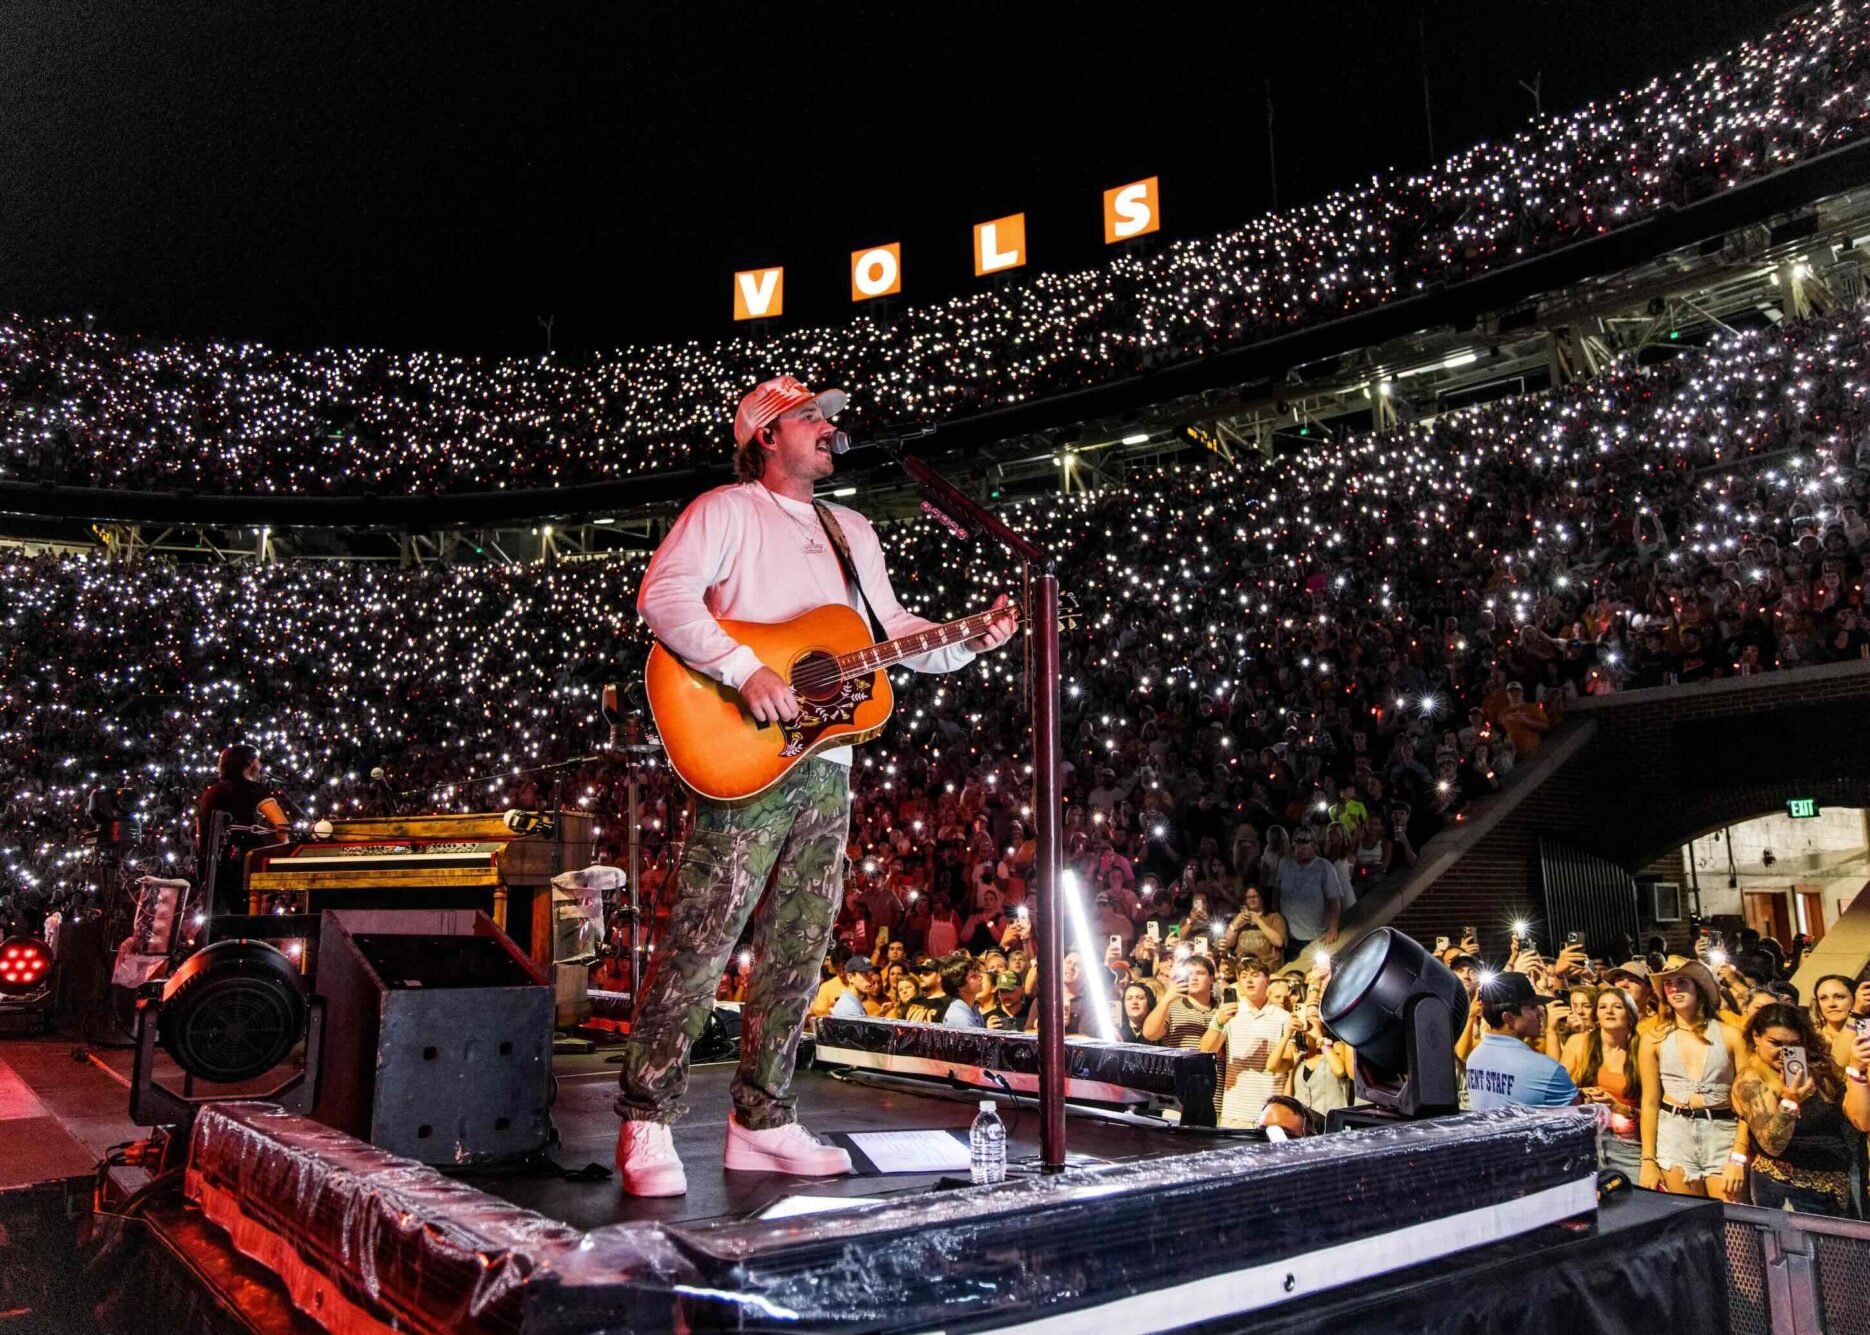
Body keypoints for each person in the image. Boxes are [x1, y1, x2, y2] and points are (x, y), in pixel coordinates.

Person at [615, 375, 1019, 1196]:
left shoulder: (853, 528)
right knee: (705, 935)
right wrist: (744, 666)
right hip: (746, 754)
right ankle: (647, 1116)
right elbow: (663, 596)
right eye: (812, 417)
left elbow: (891, 632)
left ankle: (761, 1120)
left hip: (826, 764)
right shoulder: (725, 510)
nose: (831, 428)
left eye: (832, 419)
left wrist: (969, 636)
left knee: (799, 948)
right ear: (767, 434)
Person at [1732, 1003, 1870, 1215]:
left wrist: (1857, 1071)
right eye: (1775, 1043)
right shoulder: (1751, 1079)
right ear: (1756, 1037)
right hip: (1785, 1189)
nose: (1784, 1052)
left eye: (1793, 1044)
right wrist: (1789, 1103)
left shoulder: (1818, 1066)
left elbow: (1860, 1120)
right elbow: (1771, 1145)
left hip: (1838, 1187)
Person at [1638, 959, 1748, 1200]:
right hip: (1675, 1133)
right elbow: (1649, 1102)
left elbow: (1748, 1105)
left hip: (1721, 1132)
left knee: (1733, 1224)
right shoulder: (1652, 1039)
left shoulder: (1731, 1036)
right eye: (1668, 984)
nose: (1675, 989)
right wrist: (1648, 1159)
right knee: (1690, 1221)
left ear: (1698, 987)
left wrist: (1738, 1157)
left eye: (1682, 982)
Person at [195, 743, 290, 918]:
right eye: (258, 761)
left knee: (214, 921)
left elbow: (199, 834)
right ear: (250, 763)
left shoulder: (210, 793)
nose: (260, 767)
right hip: (241, 865)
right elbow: (282, 826)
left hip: (209, 867)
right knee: (243, 920)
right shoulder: (254, 790)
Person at [1203, 959, 1299, 1128]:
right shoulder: (1229, 1013)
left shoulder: (1283, 1017)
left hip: (1271, 1112)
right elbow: (1204, 1052)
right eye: (1244, 976)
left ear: (1267, 981)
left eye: (1255, 975)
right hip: (1235, 1111)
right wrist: (1218, 1022)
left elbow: (1286, 1064)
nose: (1249, 980)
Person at [1464, 973, 1581, 1110]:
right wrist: (1588, 1099)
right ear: (1508, 1018)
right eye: (1532, 1008)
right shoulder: (1546, 1069)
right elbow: (1579, 1115)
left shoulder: (1475, 1057)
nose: (1540, 1014)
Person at [1572, 986, 1644, 1177]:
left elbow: (1654, 1110)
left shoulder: (1642, 1050)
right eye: (1603, 1007)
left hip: (1627, 1141)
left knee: (1635, 1201)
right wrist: (1582, 1095)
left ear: (1630, 1014)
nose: (1609, 1011)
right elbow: (1560, 1093)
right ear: (1596, 1015)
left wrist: (1619, 1107)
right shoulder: (1579, 1043)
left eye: (1617, 1007)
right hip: (1586, 1136)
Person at [1272, 828, 1340, 961]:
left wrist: (1333, 928)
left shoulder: (1324, 867)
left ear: (1313, 845)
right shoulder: (1284, 864)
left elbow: (1334, 900)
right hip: (1288, 935)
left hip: (1314, 936)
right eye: (1297, 845)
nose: (1299, 849)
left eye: (1304, 845)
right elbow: (1277, 891)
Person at [1219, 884, 1286, 976]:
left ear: (1262, 898)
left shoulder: (1274, 917)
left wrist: (1258, 921)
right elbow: (1227, 943)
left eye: (1255, 896)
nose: (1251, 900)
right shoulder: (1240, 918)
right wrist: (1235, 924)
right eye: (1248, 897)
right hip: (1241, 965)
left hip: (1264, 966)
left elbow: (1279, 942)